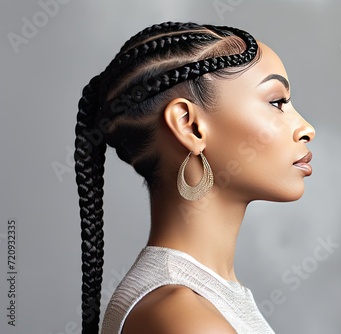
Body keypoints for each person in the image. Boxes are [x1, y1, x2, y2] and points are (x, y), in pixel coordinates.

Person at [74, 21, 315, 334]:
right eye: (277, 102)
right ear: (189, 126)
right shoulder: (185, 318)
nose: (306, 128)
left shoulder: (196, 300)